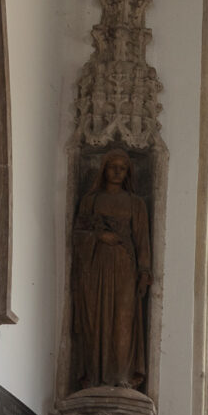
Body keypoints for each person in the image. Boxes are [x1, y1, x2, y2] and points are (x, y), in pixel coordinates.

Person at [71, 150, 151, 391]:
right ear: (103, 170)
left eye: (122, 168)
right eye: (112, 167)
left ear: (128, 173)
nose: (117, 172)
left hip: (125, 266)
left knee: (123, 321)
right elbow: (78, 234)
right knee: (96, 320)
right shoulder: (91, 200)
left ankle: (121, 375)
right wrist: (99, 236)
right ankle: (95, 376)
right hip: (95, 267)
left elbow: (142, 240)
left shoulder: (135, 203)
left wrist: (144, 271)